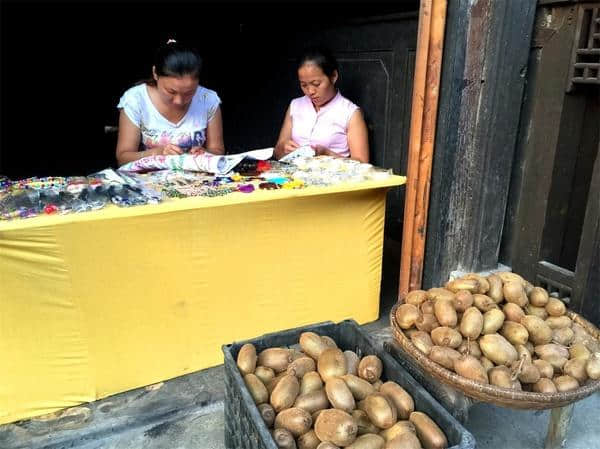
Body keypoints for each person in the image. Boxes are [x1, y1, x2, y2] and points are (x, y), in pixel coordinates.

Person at [116, 39, 225, 165]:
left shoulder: (208, 99)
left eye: (189, 92)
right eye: (171, 92)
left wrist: (204, 153)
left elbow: (218, 151)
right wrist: (158, 153)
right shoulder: (136, 100)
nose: (179, 101)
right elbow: (123, 158)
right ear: (155, 73)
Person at [274, 47, 369, 163]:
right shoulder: (295, 105)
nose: (310, 91)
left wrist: (329, 154)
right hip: (294, 178)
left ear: (333, 76)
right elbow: (277, 151)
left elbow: (363, 163)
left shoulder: (350, 113)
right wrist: (283, 149)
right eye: (304, 85)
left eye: (316, 84)